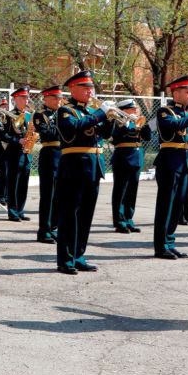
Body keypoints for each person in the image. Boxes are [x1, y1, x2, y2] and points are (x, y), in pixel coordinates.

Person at [52, 71, 115, 274]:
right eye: (85, 87)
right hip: (74, 168)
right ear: (73, 89)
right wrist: (100, 114)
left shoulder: (90, 112)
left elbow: (106, 133)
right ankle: (66, 260)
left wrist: (111, 117)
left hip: (93, 168)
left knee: (86, 216)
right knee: (70, 215)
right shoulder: (65, 111)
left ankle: (79, 255)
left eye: (91, 87)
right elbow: (74, 129)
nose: (90, 91)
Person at [152, 75, 188, 259]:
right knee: (166, 205)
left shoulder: (186, 114)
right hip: (169, 163)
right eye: (187, 92)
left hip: (184, 163)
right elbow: (174, 126)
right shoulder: (165, 111)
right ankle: (160, 246)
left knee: (177, 205)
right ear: (176, 93)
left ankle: (170, 242)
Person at [109, 99, 152, 234]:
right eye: (132, 109)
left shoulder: (137, 120)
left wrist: (144, 125)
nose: (136, 111)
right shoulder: (116, 121)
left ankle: (129, 219)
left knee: (132, 191)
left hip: (136, 157)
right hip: (123, 157)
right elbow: (115, 137)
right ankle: (119, 221)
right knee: (120, 191)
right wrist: (127, 122)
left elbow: (148, 137)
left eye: (136, 109)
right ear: (124, 110)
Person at [32, 85, 63, 244]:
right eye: (56, 98)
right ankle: (44, 230)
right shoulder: (40, 115)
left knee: (59, 195)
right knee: (48, 195)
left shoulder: (63, 114)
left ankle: (54, 228)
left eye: (60, 98)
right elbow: (48, 133)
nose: (59, 101)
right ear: (47, 98)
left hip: (63, 155)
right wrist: (63, 124)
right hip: (50, 155)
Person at [0, 85, 33, 222]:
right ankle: (12, 212)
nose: (27, 100)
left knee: (24, 183)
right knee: (13, 183)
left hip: (27, 153)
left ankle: (20, 210)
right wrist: (17, 140)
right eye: (24, 97)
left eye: (27, 97)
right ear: (15, 99)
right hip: (14, 153)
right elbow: (2, 135)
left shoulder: (29, 115)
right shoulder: (8, 115)